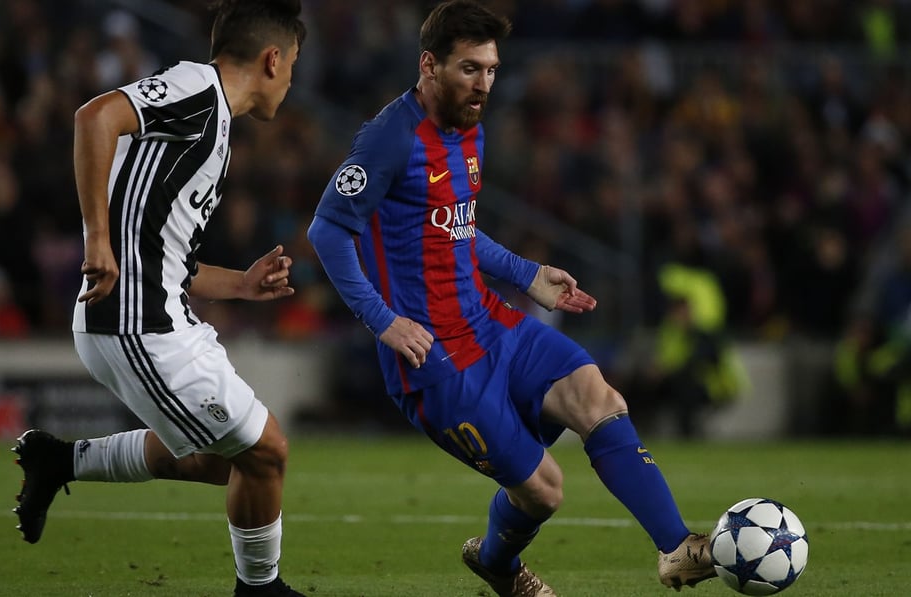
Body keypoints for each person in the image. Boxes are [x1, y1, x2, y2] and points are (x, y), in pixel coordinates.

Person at [306, 2, 714, 595]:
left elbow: (458, 230)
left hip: (489, 322)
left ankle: (676, 547)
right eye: (470, 69)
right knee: (544, 490)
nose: (483, 84)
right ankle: (499, 565)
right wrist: (383, 321)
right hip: (433, 361)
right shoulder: (388, 138)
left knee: (597, 396)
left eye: (491, 70)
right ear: (429, 65)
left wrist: (527, 274)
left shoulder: (469, 128)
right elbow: (327, 230)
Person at [12, 2, 308, 596]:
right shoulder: (198, 89)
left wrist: (243, 286)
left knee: (236, 466)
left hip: (154, 312)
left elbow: (166, 257)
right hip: (135, 320)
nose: (293, 80)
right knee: (266, 450)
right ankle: (260, 591)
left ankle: (60, 461)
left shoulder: (215, 123)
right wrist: (97, 236)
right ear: (273, 59)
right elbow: (95, 118)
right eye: (294, 65)